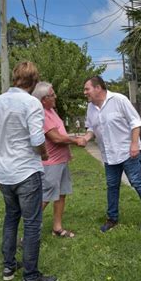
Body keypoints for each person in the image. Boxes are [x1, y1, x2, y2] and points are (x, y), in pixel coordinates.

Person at [0, 61, 58, 281]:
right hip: (25, 171)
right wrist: (45, 155)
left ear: (15, 78)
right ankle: (31, 279)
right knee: (32, 224)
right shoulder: (31, 104)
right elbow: (38, 141)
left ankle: (8, 268)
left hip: (2, 173)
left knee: (10, 218)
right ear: (35, 81)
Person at [81, 76, 141, 233]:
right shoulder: (91, 107)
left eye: (87, 89)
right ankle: (112, 219)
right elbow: (91, 128)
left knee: (137, 182)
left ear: (98, 88)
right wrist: (86, 138)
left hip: (127, 152)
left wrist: (134, 145)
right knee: (112, 186)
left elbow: (136, 122)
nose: (85, 92)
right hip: (109, 155)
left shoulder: (119, 100)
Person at [32, 81, 85, 238]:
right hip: (50, 164)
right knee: (45, 197)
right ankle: (30, 233)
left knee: (61, 194)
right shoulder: (41, 113)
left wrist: (68, 151)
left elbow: (60, 133)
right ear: (43, 99)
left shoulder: (51, 111)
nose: (55, 96)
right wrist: (75, 141)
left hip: (61, 161)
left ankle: (57, 227)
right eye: (52, 94)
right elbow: (55, 138)